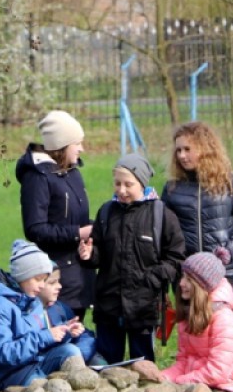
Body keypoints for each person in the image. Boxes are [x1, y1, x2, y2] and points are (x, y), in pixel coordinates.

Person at [79, 154, 186, 363]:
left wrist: (152, 278)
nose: (121, 190)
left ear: (142, 183)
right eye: (117, 183)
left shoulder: (161, 215)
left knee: (143, 368)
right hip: (108, 307)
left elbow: (176, 258)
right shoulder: (106, 212)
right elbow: (99, 251)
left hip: (144, 308)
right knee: (107, 368)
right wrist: (89, 255)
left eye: (128, 184)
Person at [161, 121, 233, 316]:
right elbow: (163, 232)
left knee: (222, 334)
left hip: (223, 275)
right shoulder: (172, 189)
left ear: (205, 148)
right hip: (185, 277)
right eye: (178, 150)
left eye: (187, 149)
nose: (182, 155)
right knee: (191, 337)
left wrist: (229, 250)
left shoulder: (230, 184)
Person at [0, 241, 85, 392]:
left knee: (70, 351)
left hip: (29, 365)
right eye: (38, 279)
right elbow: (3, 354)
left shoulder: (32, 301)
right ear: (23, 276)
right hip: (2, 377)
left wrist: (63, 331)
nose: (41, 285)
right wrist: (46, 336)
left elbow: (38, 341)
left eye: (44, 280)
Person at [16, 110, 95, 323]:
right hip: (54, 278)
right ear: (62, 145)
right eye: (77, 143)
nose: (81, 148)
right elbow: (35, 228)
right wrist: (78, 233)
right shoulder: (38, 178)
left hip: (79, 275)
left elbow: (79, 219)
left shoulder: (73, 173)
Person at [161, 252, 233, 392]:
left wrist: (179, 383)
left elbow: (217, 372)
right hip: (196, 384)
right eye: (183, 277)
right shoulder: (189, 315)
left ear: (202, 286)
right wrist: (163, 377)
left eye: (189, 279)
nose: (181, 283)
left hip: (224, 390)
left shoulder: (225, 321)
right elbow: (183, 361)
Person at [36, 265, 103, 366]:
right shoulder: (24, 313)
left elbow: (85, 336)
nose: (59, 286)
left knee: (98, 361)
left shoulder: (60, 308)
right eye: (52, 283)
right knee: (70, 350)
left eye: (58, 281)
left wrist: (79, 354)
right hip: (40, 366)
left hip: (66, 361)